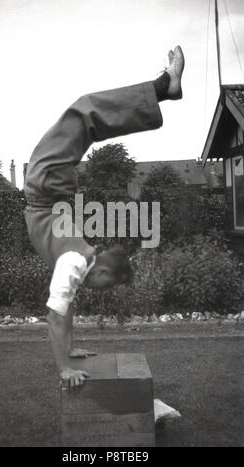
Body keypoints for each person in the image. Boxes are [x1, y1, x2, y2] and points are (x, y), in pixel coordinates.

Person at [24, 46, 185, 388]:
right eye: (106, 284)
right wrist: (63, 368)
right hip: (46, 186)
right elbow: (54, 317)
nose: (100, 290)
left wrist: (71, 350)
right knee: (84, 113)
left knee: (85, 117)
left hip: (53, 190)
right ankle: (162, 87)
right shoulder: (72, 262)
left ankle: (162, 88)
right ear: (100, 269)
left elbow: (64, 312)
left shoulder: (79, 261)